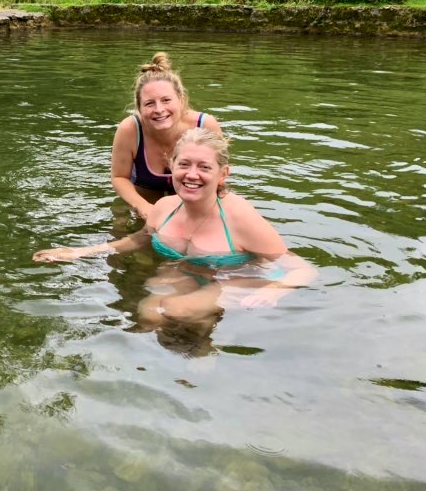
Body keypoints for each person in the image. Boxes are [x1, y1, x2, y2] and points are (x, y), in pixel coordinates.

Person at [35, 128, 316, 326]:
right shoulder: (165, 208)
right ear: (172, 166)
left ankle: (205, 349)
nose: (191, 175)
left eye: (204, 167)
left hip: (237, 278)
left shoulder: (241, 218)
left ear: (222, 174)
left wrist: (274, 291)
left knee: (175, 309)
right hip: (187, 270)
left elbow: (303, 269)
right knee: (149, 313)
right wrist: (80, 252)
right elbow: (140, 238)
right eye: (184, 164)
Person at [111, 53, 221, 223]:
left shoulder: (205, 125)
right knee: (121, 229)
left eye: (166, 100)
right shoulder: (129, 129)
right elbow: (119, 177)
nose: (159, 109)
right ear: (139, 108)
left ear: (181, 100)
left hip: (193, 199)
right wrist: (142, 206)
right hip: (144, 197)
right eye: (149, 103)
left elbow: (220, 175)